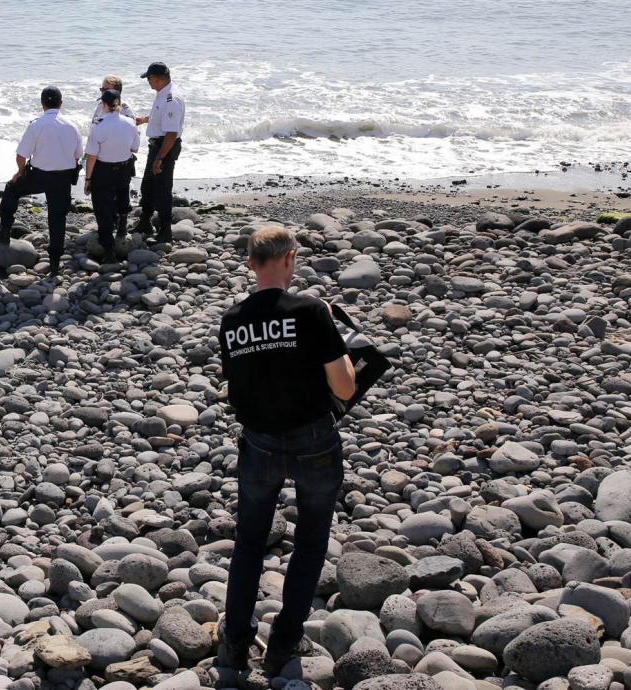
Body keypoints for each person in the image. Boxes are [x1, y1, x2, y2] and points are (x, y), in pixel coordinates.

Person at [216, 225, 356, 677]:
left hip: (259, 442)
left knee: (250, 544)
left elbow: (242, 384)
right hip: (313, 439)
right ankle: (282, 645)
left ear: (251, 262)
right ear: (291, 258)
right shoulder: (312, 312)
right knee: (311, 543)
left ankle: (236, 644)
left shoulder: (233, 320)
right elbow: (346, 387)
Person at [0, 86, 82, 279]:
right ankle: (54, 263)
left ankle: (4, 228)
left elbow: (21, 155)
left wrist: (20, 172)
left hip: (39, 175)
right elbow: (79, 156)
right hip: (63, 178)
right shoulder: (72, 125)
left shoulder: (36, 125)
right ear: (60, 103)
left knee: (12, 188)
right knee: (57, 218)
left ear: (42, 104)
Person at [84, 89, 141, 263]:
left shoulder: (98, 125)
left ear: (103, 105)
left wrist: (88, 179)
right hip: (124, 167)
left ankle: (108, 249)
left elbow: (91, 156)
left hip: (104, 170)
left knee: (103, 208)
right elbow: (135, 148)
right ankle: (122, 226)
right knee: (123, 193)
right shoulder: (130, 123)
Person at [134, 62, 185, 244]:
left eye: (149, 78)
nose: (148, 82)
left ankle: (165, 229)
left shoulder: (171, 99)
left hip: (165, 147)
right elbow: (159, 118)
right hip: (157, 146)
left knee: (162, 189)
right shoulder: (162, 94)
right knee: (147, 186)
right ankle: (145, 222)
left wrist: (159, 159)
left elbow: (171, 134)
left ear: (157, 78)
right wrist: (144, 120)